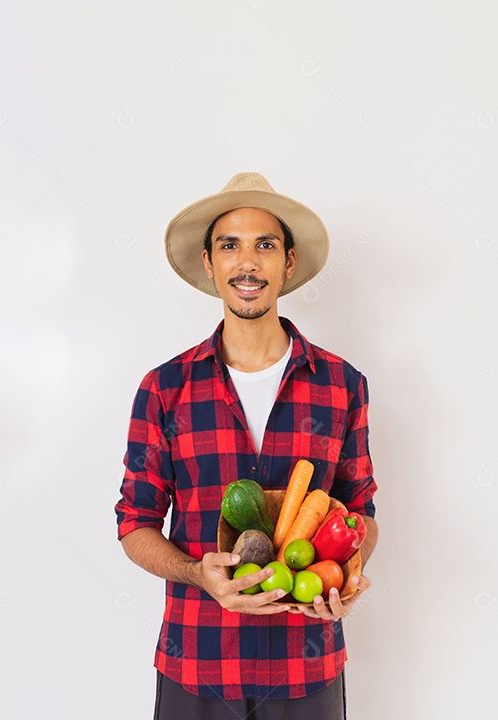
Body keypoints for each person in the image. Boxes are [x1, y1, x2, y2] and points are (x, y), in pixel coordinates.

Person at [114, 172, 378, 719]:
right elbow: (135, 523)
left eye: (266, 245)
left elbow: (361, 513)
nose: (248, 262)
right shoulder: (165, 389)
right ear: (210, 264)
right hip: (198, 662)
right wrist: (196, 573)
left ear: (289, 262)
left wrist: (348, 575)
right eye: (230, 245)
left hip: (305, 667)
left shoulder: (342, 385)